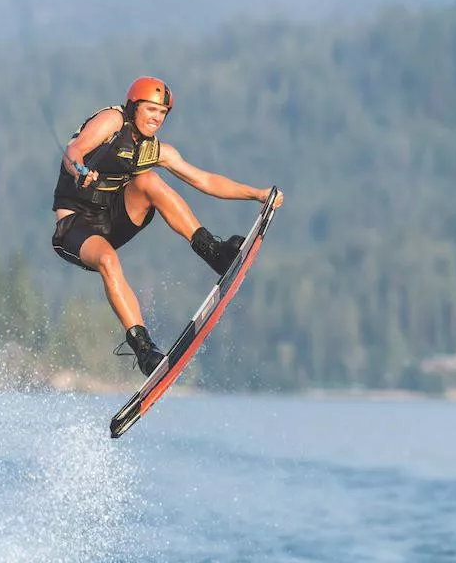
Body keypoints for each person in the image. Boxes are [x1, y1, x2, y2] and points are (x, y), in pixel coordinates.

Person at [51, 76, 284, 377]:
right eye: (150, 110)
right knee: (109, 260)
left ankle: (213, 252)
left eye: (162, 114)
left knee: (148, 181)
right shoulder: (112, 120)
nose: (156, 119)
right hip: (75, 227)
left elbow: (205, 180)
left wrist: (258, 194)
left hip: (112, 220)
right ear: (133, 107)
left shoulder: (155, 150)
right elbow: (75, 150)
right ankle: (144, 349)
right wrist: (79, 169)